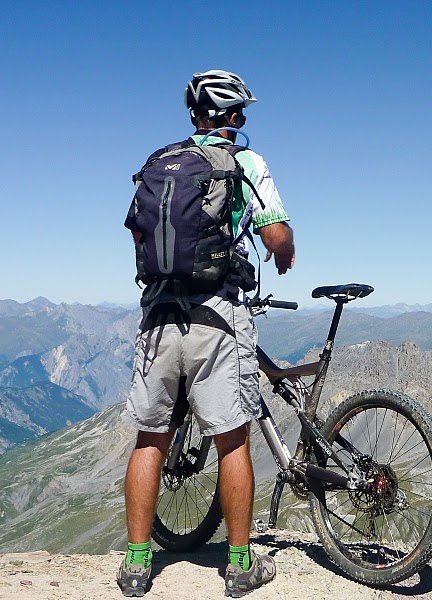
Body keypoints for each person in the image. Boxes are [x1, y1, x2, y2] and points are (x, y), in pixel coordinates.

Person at [118, 69, 295, 598]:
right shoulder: (246, 163)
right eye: (243, 114)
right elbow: (276, 234)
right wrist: (284, 251)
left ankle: (134, 564)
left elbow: (138, 230)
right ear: (235, 116)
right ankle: (239, 565)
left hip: (157, 316)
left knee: (151, 437)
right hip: (218, 316)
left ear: (193, 114)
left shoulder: (159, 163)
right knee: (232, 438)